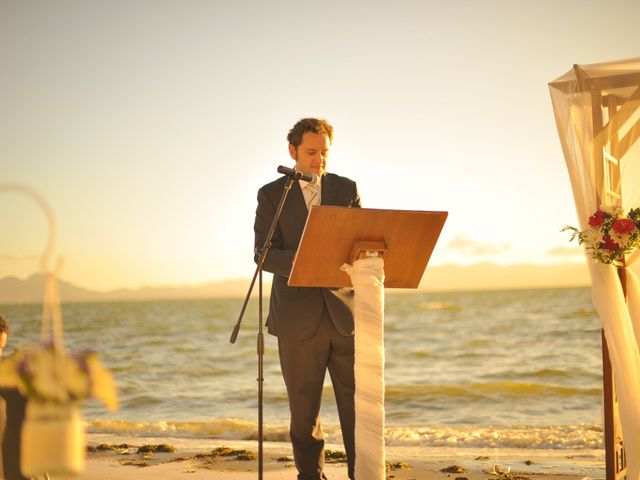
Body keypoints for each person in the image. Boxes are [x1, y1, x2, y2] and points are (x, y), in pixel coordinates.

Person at [254, 118, 361, 480]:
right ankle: (310, 477)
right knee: (304, 412)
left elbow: (360, 244)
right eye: (311, 152)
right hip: (297, 322)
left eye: (324, 153)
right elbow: (263, 254)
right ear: (293, 151)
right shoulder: (272, 194)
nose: (319, 160)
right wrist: (310, 261)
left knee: (357, 409)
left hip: (345, 317)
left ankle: (361, 474)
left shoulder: (347, 188)